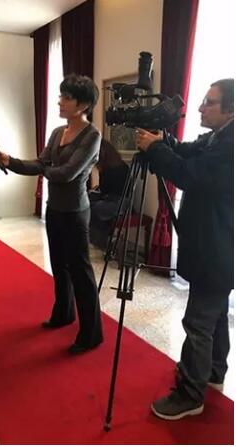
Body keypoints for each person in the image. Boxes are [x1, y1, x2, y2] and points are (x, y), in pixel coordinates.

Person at [135, 78, 233, 420]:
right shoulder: (218, 136)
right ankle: (213, 372)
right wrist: (164, 141)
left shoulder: (231, 144)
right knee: (214, 314)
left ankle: (191, 395)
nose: (201, 107)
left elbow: (191, 174)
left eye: (210, 102)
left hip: (218, 247)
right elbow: (188, 150)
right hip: (215, 244)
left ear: (231, 109)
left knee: (198, 321)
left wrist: (154, 149)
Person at [0, 74, 104, 354]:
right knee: (59, 266)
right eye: (61, 95)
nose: (60, 101)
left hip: (75, 212)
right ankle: (63, 314)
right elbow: (41, 163)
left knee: (80, 272)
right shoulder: (57, 132)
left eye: (66, 97)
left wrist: (44, 170)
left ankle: (91, 333)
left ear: (83, 105)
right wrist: (9, 161)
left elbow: (67, 173)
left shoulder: (92, 136)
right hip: (55, 209)